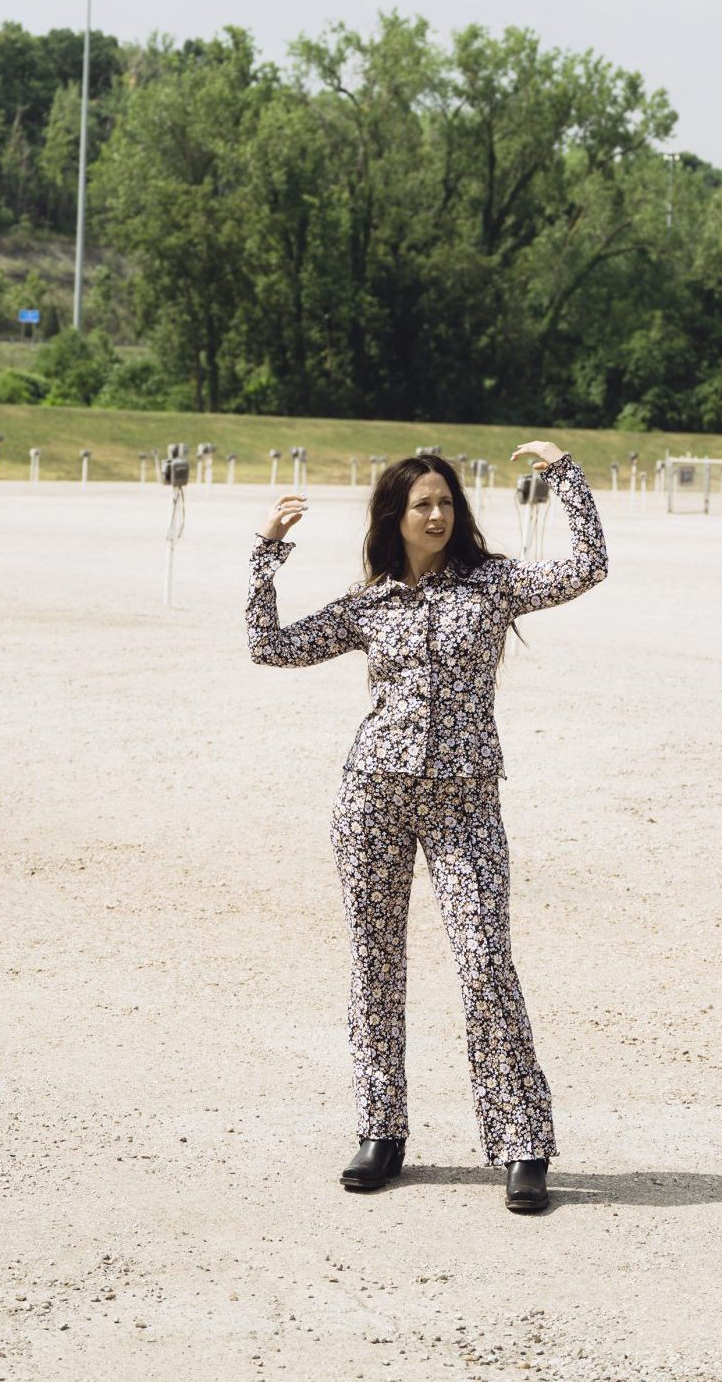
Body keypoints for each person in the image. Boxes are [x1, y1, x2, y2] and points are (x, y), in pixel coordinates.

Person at [246, 441, 608, 1214]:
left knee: (484, 964)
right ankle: (381, 1130)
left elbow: (588, 566)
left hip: (465, 800)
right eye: (423, 505)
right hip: (372, 794)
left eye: (447, 502)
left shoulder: (494, 582)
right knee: (374, 966)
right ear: (396, 518)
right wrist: (266, 554)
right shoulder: (367, 603)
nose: (438, 515)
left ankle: (522, 1143)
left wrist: (565, 475)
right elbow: (269, 647)